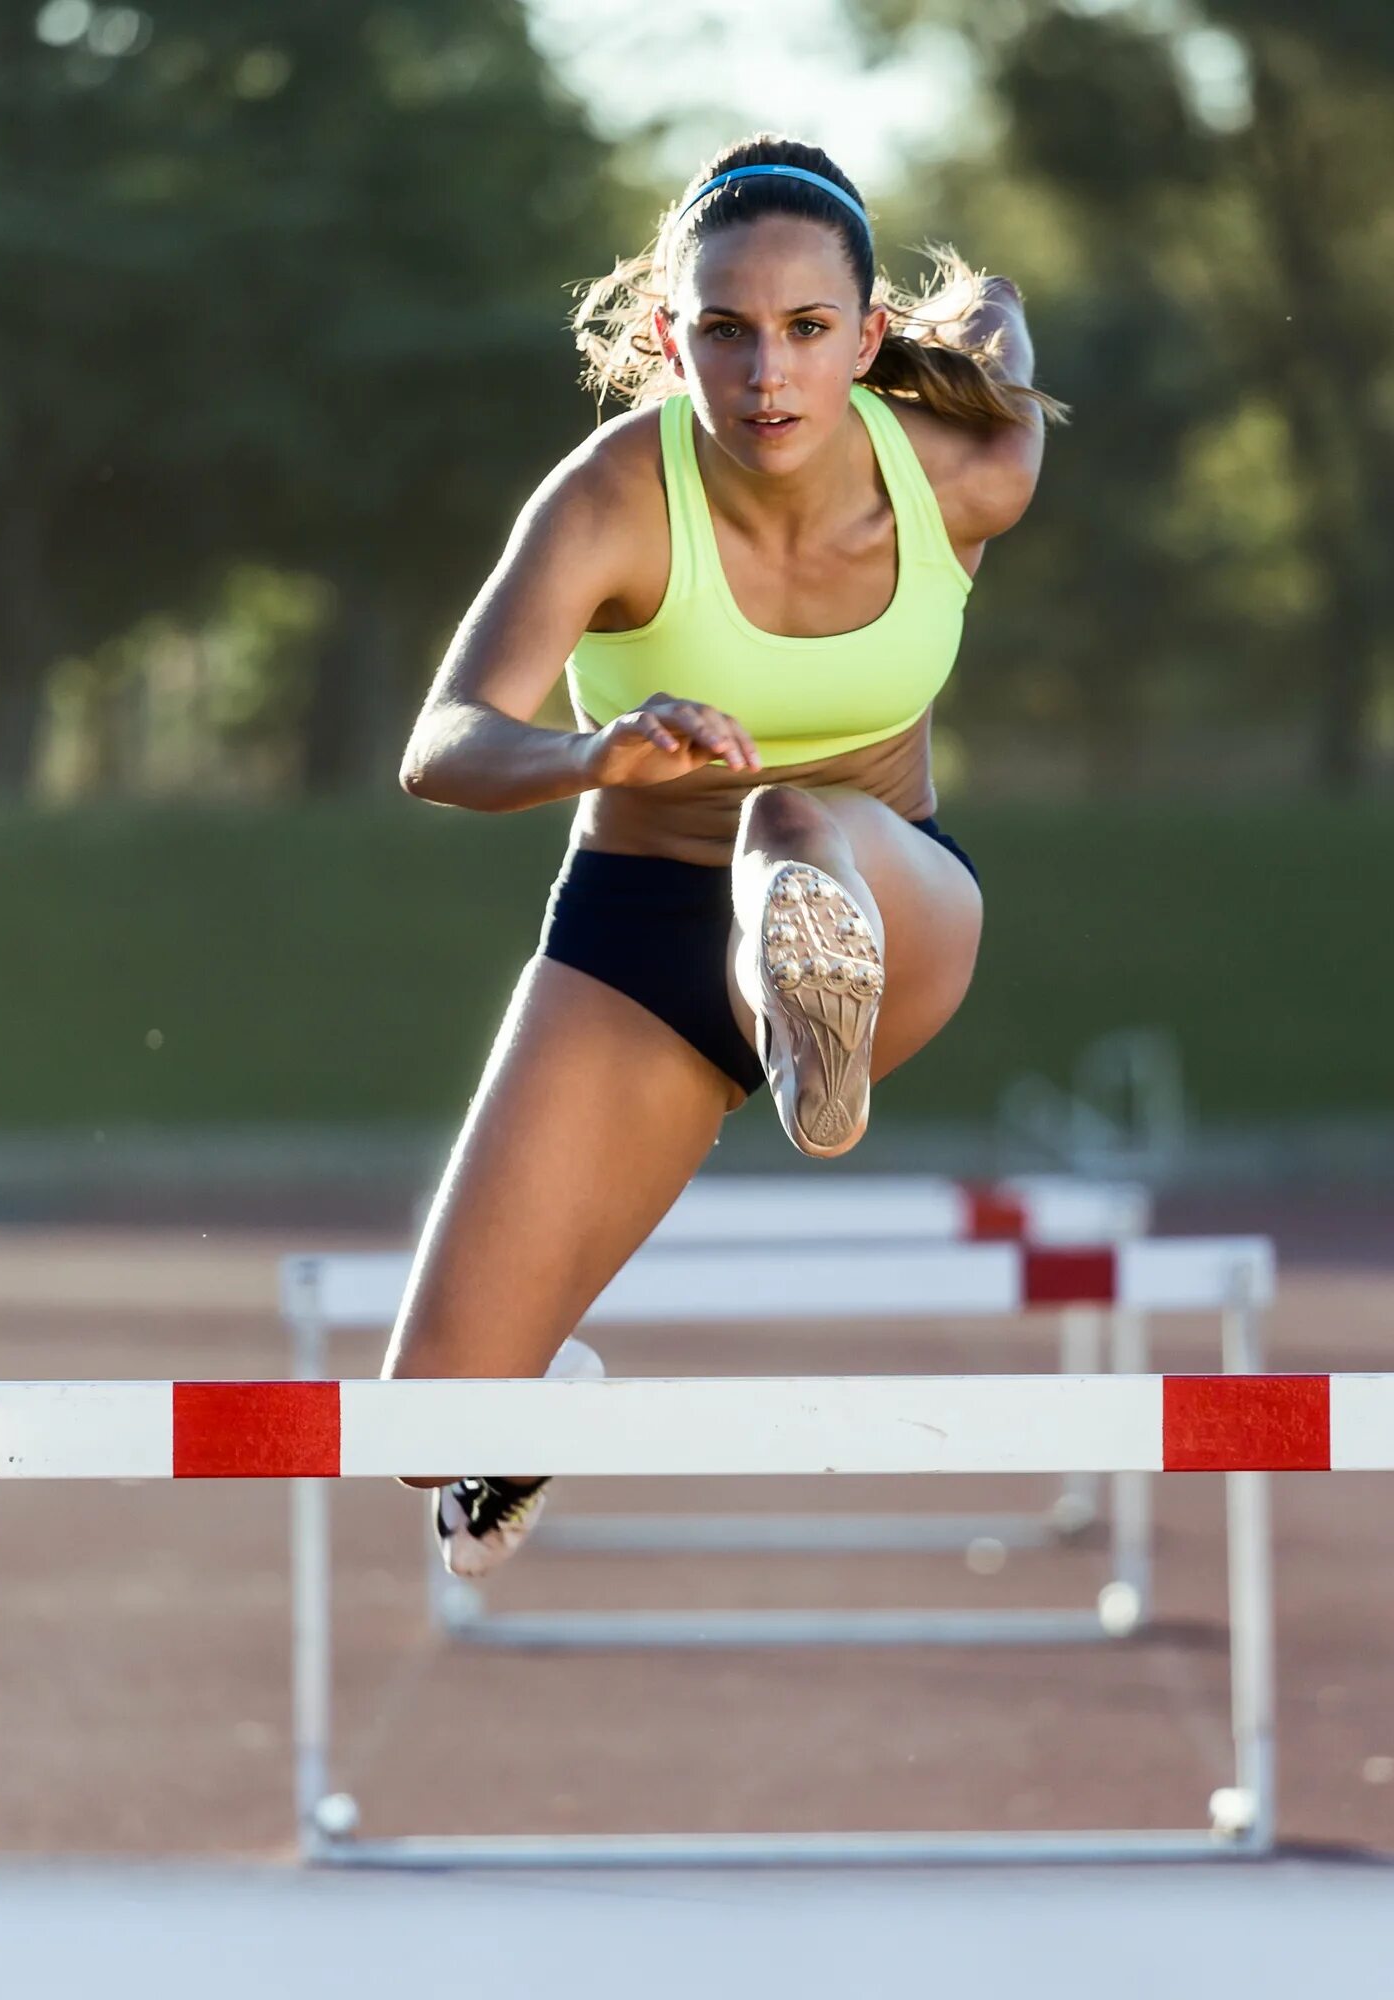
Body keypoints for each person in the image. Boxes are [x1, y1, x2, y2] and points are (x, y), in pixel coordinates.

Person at [386, 134, 1060, 1576]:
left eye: (813, 332)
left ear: (868, 338)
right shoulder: (611, 499)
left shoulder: (960, 473)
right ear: (662, 335)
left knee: (788, 818)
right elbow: (441, 742)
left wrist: (988, 317)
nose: (769, 378)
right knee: (422, 1430)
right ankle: (533, 1404)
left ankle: (813, 997)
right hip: (642, 934)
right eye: (728, 333)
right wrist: (590, 753)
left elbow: (1003, 353)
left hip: (891, 905)